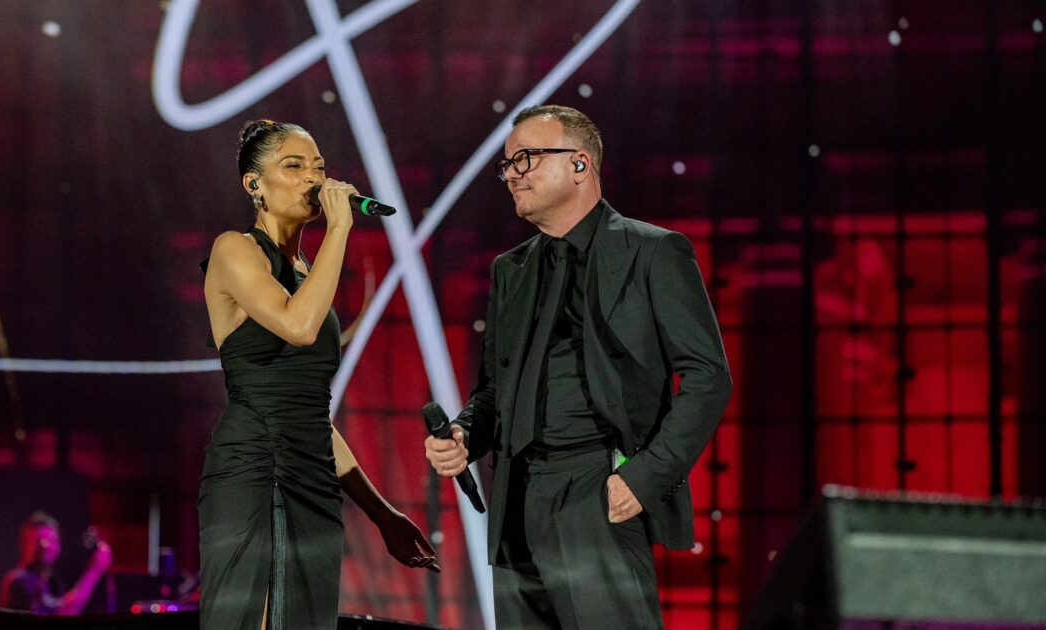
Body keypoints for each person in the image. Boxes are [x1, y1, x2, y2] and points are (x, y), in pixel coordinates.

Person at [425, 105, 732, 629]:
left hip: (598, 486)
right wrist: (463, 433)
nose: (512, 173)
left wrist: (644, 477)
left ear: (580, 164)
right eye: (506, 165)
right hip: (517, 499)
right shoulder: (511, 270)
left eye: (526, 158)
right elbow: (495, 391)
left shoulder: (654, 252)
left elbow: (708, 378)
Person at [199, 119, 438, 629]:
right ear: (254, 184)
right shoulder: (234, 250)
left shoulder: (312, 273)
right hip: (253, 468)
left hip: (313, 479)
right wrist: (342, 228)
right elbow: (299, 327)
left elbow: (311, 417)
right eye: (294, 166)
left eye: (320, 168)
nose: (313, 178)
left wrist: (381, 515)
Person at [0, 511, 113, 615]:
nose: (45, 545)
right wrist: (95, 570)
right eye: (38, 540)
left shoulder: (52, 583)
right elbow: (59, 615)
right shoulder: (17, 580)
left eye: (51, 540)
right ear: (22, 545)